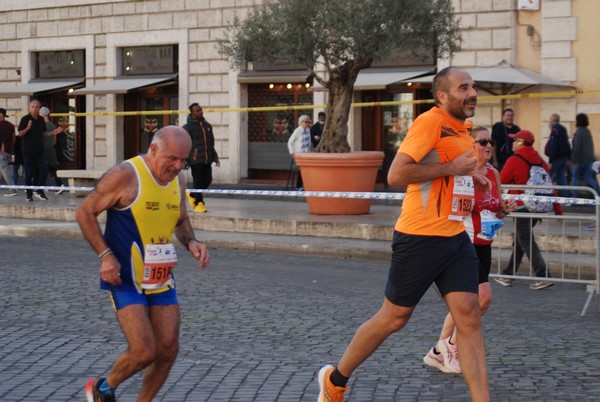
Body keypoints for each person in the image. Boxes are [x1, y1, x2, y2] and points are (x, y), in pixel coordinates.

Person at [317, 67, 491, 402]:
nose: (472, 93)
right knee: (394, 318)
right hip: (420, 238)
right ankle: (335, 380)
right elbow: (397, 174)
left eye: (473, 87)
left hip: (455, 236)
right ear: (442, 95)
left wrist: (470, 178)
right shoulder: (430, 122)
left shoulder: (463, 129)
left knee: (469, 317)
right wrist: (451, 169)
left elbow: (448, 173)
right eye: (464, 87)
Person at [76, 126, 210, 402]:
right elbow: (84, 212)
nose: (177, 166)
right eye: (172, 158)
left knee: (168, 350)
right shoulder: (126, 175)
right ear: (153, 150)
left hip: (161, 277)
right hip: (125, 278)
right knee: (144, 351)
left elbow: (181, 219)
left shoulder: (179, 180)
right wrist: (105, 256)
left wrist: (192, 242)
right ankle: (103, 387)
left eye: (183, 161)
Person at [423, 126, 518, 374]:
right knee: (482, 298)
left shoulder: (494, 174)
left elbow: (494, 210)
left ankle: (438, 352)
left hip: (485, 243)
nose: (489, 145)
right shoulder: (461, 174)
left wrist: (504, 210)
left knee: (465, 303)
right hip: (463, 242)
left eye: (492, 141)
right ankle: (451, 346)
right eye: (483, 141)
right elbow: (450, 209)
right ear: (470, 145)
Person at [494, 130, 560, 290]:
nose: (512, 143)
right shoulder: (541, 162)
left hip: (521, 206)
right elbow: (550, 185)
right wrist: (558, 209)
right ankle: (508, 274)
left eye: (514, 140)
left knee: (525, 240)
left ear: (521, 142)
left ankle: (543, 275)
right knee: (521, 240)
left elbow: (501, 180)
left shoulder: (514, 160)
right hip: (537, 206)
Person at [17, 100, 62, 202]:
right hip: (28, 150)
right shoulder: (25, 119)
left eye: (37, 107)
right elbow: (20, 134)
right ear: (29, 108)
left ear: (39, 108)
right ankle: (29, 194)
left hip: (40, 150)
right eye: (32, 107)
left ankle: (39, 190)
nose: (34, 109)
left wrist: (53, 132)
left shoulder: (41, 120)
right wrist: (28, 128)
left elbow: (44, 133)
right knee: (29, 173)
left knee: (44, 169)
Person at [182, 103, 220, 214]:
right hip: (195, 159)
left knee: (208, 179)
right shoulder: (187, 127)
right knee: (198, 182)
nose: (200, 112)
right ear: (192, 113)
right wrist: (185, 159)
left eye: (201, 110)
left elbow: (211, 143)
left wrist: (215, 157)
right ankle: (199, 203)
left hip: (207, 158)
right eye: (197, 110)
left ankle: (192, 194)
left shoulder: (207, 126)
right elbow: (184, 144)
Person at [570, 113, 599, 198]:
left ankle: (575, 197)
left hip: (579, 160)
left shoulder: (578, 132)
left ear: (578, 121)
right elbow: (590, 145)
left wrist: (573, 159)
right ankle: (598, 194)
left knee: (575, 178)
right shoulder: (587, 131)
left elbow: (577, 147)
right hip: (589, 159)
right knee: (588, 178)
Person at [39, 107, 65, 194]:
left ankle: (41, 187)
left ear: (42, 114)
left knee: (41, 168)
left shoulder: (42, 125)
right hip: (51, 149)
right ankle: (59, 185)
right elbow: (54, 140)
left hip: (44, 150)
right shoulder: (53, 125)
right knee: (52, 168)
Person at [544, 113, 571, 197]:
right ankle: (566, 197)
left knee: (550, 178)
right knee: (562, 178)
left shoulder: (555, 130)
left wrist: (550, 161)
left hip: (557, 158)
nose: (549, 121)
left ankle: (547, 196)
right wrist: (569, 157)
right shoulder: (563, 129)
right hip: (564, 158)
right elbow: (567, 144)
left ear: (553, 120)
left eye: (550, 120)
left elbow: (553, 146)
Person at [287, 114, 312, 190]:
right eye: (306, 122)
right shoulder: (297, 131)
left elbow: (309, 141)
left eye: (308, 122)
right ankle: (299, 186)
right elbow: (290, 142)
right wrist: (292, 152)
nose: (307, 123)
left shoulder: (308, 130)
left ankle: (304, 185)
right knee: (302, 170)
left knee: (307, 170)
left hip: (307, 153)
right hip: (299, 154)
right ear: (301, 122)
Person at [0, 108, 17, 196]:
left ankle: (12, 189)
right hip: (8, 151)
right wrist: (11, 150)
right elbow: (14, 139)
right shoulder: (11, 125)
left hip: (1, 152)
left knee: (5, 171)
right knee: (3, 170)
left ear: (1, 115)